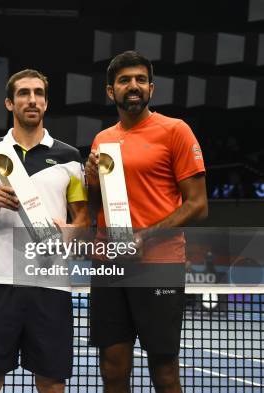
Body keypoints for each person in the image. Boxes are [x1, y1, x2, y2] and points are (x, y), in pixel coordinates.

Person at [85, 50, 208, 393]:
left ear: (151, 89)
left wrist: (145, 238)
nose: (133, 86)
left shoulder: (176, 131)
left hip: (158, 265)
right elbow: (97, 207)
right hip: (109, 266)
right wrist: (90, 179)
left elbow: (198, 205)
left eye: (140, 79)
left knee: (164, 370)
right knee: (112, 368)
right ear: (111, 91)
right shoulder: (102, 140)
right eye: (124, 80)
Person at [0, 69, 89, 393]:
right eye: (23, 93)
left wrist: (72, 232)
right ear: (9, 102)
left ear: (46, 103)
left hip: (51, 286)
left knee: (51, 383)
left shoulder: (70, 158)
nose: (32, 100)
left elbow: (83, 221)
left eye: (38, 93)